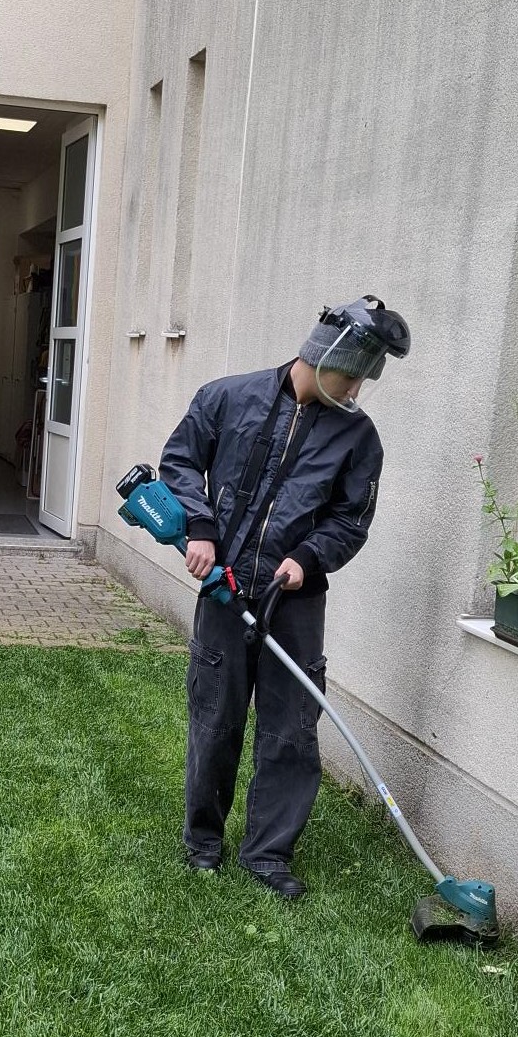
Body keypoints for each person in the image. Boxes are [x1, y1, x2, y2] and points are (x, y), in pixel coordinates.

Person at [160, 296, 410, 898]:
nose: (354, 391)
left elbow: (351, 519)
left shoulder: (357, 436)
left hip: (294, 602)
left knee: (291, 727)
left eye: (360, 382)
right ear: (323, 356)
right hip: (225, 593)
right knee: (215, 716)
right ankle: (203, 841)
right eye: (351, 377)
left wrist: (307, 558)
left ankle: (268, 853)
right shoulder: (226, 397)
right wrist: (200, 526)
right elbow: (180, 462)